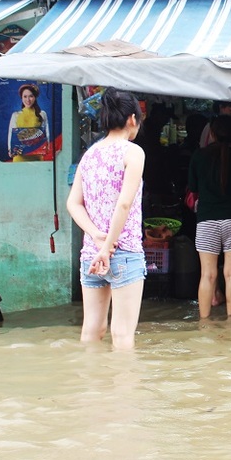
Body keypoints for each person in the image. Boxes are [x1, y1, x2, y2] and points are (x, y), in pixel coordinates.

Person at [65, 87, 147, 351]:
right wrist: (109, 245)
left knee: (92, 331)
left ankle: (91, 389)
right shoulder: (133, 152)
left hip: (91, 254)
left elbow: (73, 203)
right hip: (122, 252)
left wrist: (97, 237)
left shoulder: (90, 155)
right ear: (132, 119)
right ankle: (124, 392)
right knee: (122, 335)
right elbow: (124, 203)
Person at [188, 114, 231, 318]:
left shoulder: (199, 156)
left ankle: (204, 322)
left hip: (207, 220)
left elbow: (193, 187)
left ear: (213, 133)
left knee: (207, 275)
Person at [7, 83, 50, 162]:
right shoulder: (16, 115)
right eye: (25, 96)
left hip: (37, 155)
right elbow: (11, 134)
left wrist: (47, 147)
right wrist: (10, 149)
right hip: (20, 156)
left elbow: (46, 133)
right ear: (21, 98)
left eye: (31, 96)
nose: (28, 100)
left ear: (35, 97)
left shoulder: (42, 114)